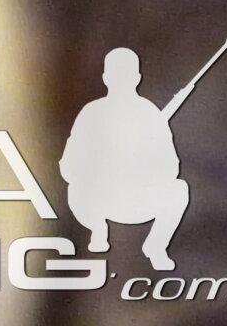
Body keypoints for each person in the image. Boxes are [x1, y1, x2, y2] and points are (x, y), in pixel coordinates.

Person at [65, 46, 205, 272]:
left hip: (137, 199)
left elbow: (171, 166)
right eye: (116, 74)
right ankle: (99, 232)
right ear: (106, 78)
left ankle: (156, 246)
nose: (122, 81)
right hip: (97, 199)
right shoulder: (92, 112)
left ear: (137, 78)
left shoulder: (150, 114)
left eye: (127, 75)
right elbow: (69, 164)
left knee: (179, 190)